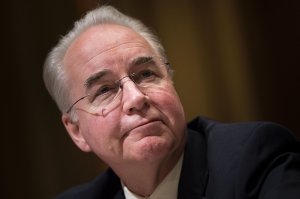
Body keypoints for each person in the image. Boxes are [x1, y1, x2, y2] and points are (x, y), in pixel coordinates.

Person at [43, 5, 300, 199]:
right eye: (106, 90)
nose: (136, 98)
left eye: (146, 74)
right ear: (77, 131)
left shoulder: (254, 159)